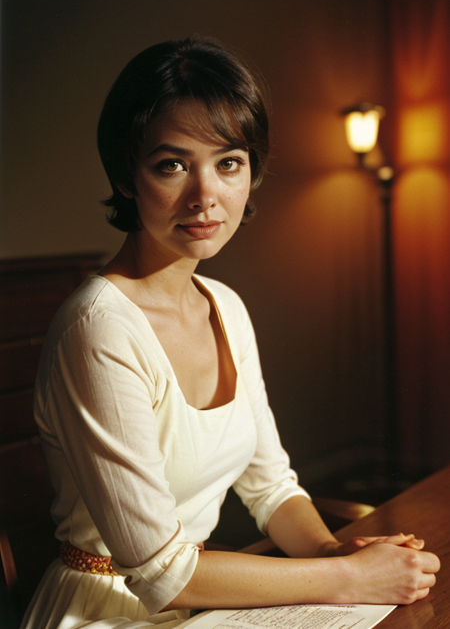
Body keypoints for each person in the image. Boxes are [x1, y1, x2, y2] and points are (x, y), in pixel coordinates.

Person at [21, 37, 440, 629]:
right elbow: (162, 574)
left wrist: (334, 553)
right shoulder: (98, 330)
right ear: (125, 176)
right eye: (171, 165)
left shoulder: (226, 306)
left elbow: (271, 488)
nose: (205, 196)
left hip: (203, 603)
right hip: (107, 612)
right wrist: (348, 578)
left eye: (228, 163)